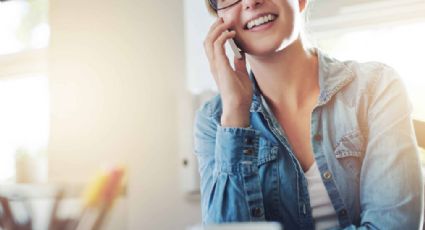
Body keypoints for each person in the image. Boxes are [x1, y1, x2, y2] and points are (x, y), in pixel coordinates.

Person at [193, 0, 424, 229]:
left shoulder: (377, 87)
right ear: (220, 21)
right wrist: (235, 114)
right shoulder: (215, 120)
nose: (252, 2)